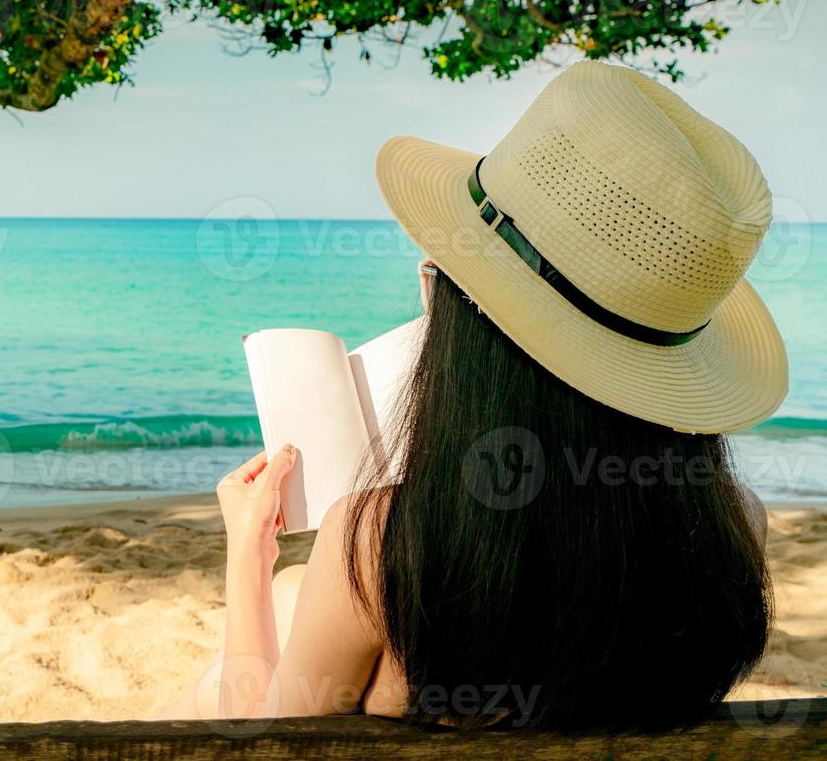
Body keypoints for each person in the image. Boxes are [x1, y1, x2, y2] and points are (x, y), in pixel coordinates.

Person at [160, 61, 783, 731]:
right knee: (292, 601)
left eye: (438, 276)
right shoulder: (731, 526)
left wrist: (246, 555)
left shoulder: (379, 542)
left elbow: (265, 744)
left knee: (224, 673)